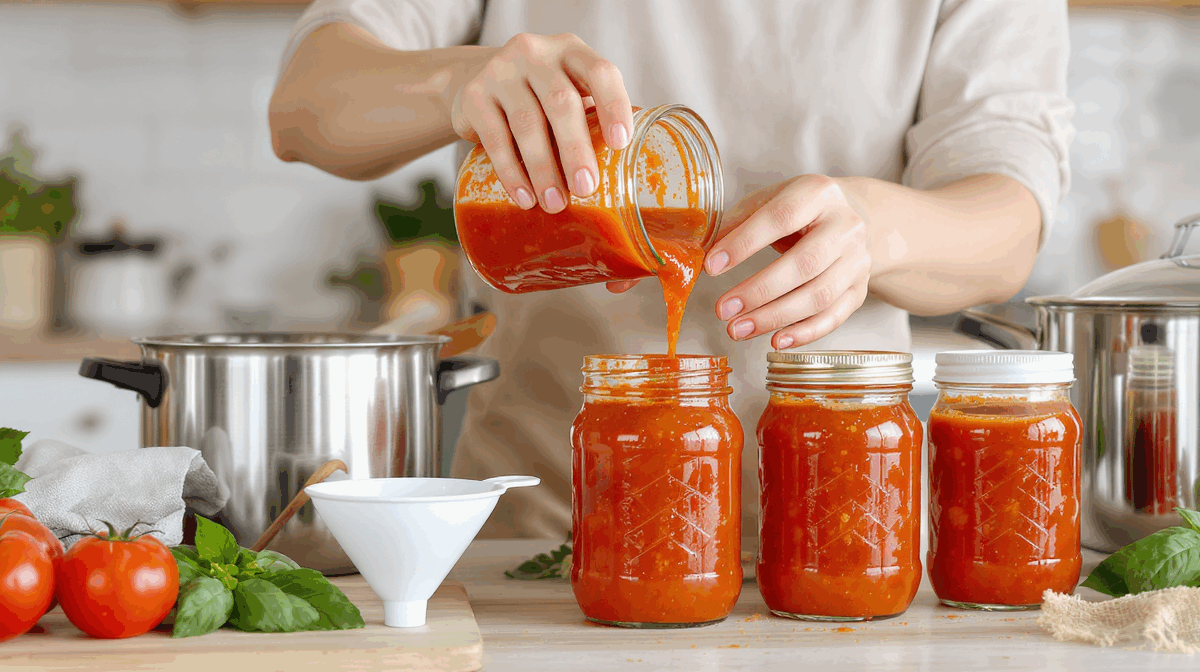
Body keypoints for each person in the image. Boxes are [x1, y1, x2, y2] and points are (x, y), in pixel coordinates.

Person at [269, 0, 1074, 538]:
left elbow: (1008, 223)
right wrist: (459, 80)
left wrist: (879, 229)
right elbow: (304, 106)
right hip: (543, 534)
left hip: (842, 522)